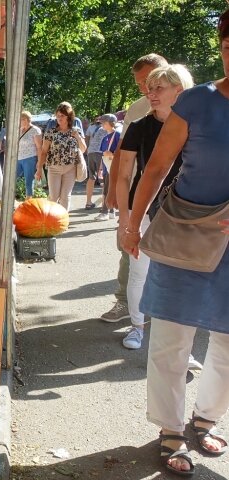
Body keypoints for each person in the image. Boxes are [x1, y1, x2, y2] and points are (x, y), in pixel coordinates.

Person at [120, 13, 229, 476]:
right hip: (184, 230)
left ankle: (205, 419)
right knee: (170, 337)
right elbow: (156, 167)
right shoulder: (197, 102)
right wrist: (131, 224)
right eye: (227, 42)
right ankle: (169, 428)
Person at [115, 65, 193, 351]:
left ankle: (179, 345)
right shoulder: (140, 127)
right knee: (140, 271)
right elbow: (124, 175)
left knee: (180, 278)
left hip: (186, 213)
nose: (151, 93)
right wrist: (125, 217)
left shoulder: (197, 126)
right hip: (144, 208)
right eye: (150, 88)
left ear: (179, 90)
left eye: (159, 88)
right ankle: (137, 326)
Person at [99, 53, 168, 324]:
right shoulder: (138, 109)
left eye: (148, 81)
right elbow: (122, 153)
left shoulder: (190, 101)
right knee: (131, 250)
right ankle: (125, 302)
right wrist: (114, 191)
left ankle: (160, 313)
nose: (144, 88)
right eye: (140, 83)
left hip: (178, 199)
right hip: (142, 192)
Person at [36, 102, 86, 211]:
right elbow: (44, 152)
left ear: (69, 117)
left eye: (62, 115)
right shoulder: (50, 132)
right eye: (58, 116)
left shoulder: (75, 131)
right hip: (54, 168)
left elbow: (83, 149)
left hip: (70, 168)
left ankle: (62, 222)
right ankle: (51, 219)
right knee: (53, 197)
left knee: (65, 197)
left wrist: (77, 136)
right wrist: (39, 169)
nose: (59, 118)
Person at [94, 114, 121, 221]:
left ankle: (105, 212)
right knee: (107, 189)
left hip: (114, 167)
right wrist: (100, 168)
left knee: (107, 190)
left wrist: (112, 154)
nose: (103, 125)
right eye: (102, 122)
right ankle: (111, 211)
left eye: (104, 122)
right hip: (107, 167)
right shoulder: (105, 137)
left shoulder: (118, 135)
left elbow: (122, 153)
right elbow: (103, 154)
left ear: (111, 123)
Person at [17, 111, 43, 198]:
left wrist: (39, 163)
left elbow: (39, 147)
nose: (19, 121)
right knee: (12, 178)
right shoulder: (19, 130)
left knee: (28, 181)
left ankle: (29, 201)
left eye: (21, 119)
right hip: (18, 158)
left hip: (30, 158)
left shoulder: (35, 130)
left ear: (26, 120)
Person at [84, 116, 107, 209]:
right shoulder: (107, 128)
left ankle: (88, 202)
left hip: (91, 152)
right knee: (103, 178)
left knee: (91, 177)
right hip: (101, 153)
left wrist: (87, 149)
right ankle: (104, 205)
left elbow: (87, 139)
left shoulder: (91, 127)